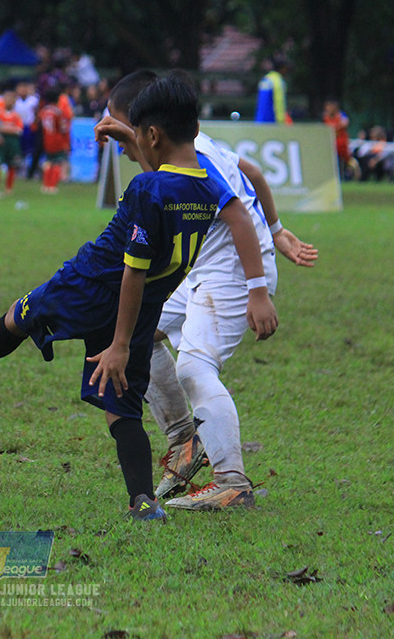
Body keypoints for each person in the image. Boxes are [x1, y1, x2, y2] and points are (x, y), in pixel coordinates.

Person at [0, 75, 277, 521]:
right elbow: (207, 196)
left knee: (22, 316)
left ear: (151, 135)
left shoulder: (144, 190)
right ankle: (143, 502)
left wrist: (115, 345)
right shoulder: (209, 183)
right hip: (141, 312)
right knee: (123, 408)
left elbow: (132, 269)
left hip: (89, 283)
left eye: (138, 138)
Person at [96, 70, 316, 510]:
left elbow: (235, 215)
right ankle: (184, 439)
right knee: (142, 328)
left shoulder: (194, 155)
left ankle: (232, 482)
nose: (125, 144)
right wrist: (277, 228)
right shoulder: (192, 143)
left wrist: (257, 290)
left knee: (194, 369)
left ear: (150, 129)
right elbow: (250, 171)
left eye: (130, 131)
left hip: (235, 270)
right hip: (211, 268)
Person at [0, 83, 24, 197]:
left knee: (12, 165)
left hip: (13, 143)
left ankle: (8, 188)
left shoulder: (16, 115)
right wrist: (2, 132)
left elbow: (19, 130)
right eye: (7, 98)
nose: (9, 101)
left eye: (11, 99)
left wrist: (4, 129)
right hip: (1, 142)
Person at [37, 86, 69, 193]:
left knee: (48, 162)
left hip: (46, 140)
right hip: (57, 140)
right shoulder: (58, 112)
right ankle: (52, 186)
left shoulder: (44, 111)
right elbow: (62, 128)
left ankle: (45, 185)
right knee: (57, 162)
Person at [255, 58, 291, 124]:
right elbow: (279, 101)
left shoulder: (266, 79)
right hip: (272, 120)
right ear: (282, 68)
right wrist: (281, 120)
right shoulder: (278, 81)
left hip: (260, 120)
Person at [323, 99, 351, 177]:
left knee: (344, 161)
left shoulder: (341, 115)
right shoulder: (325, 116)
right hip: (331, 143)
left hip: (341, 144)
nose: (327, 108)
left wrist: (334, 128)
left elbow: (345, 123)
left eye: (329, 106)